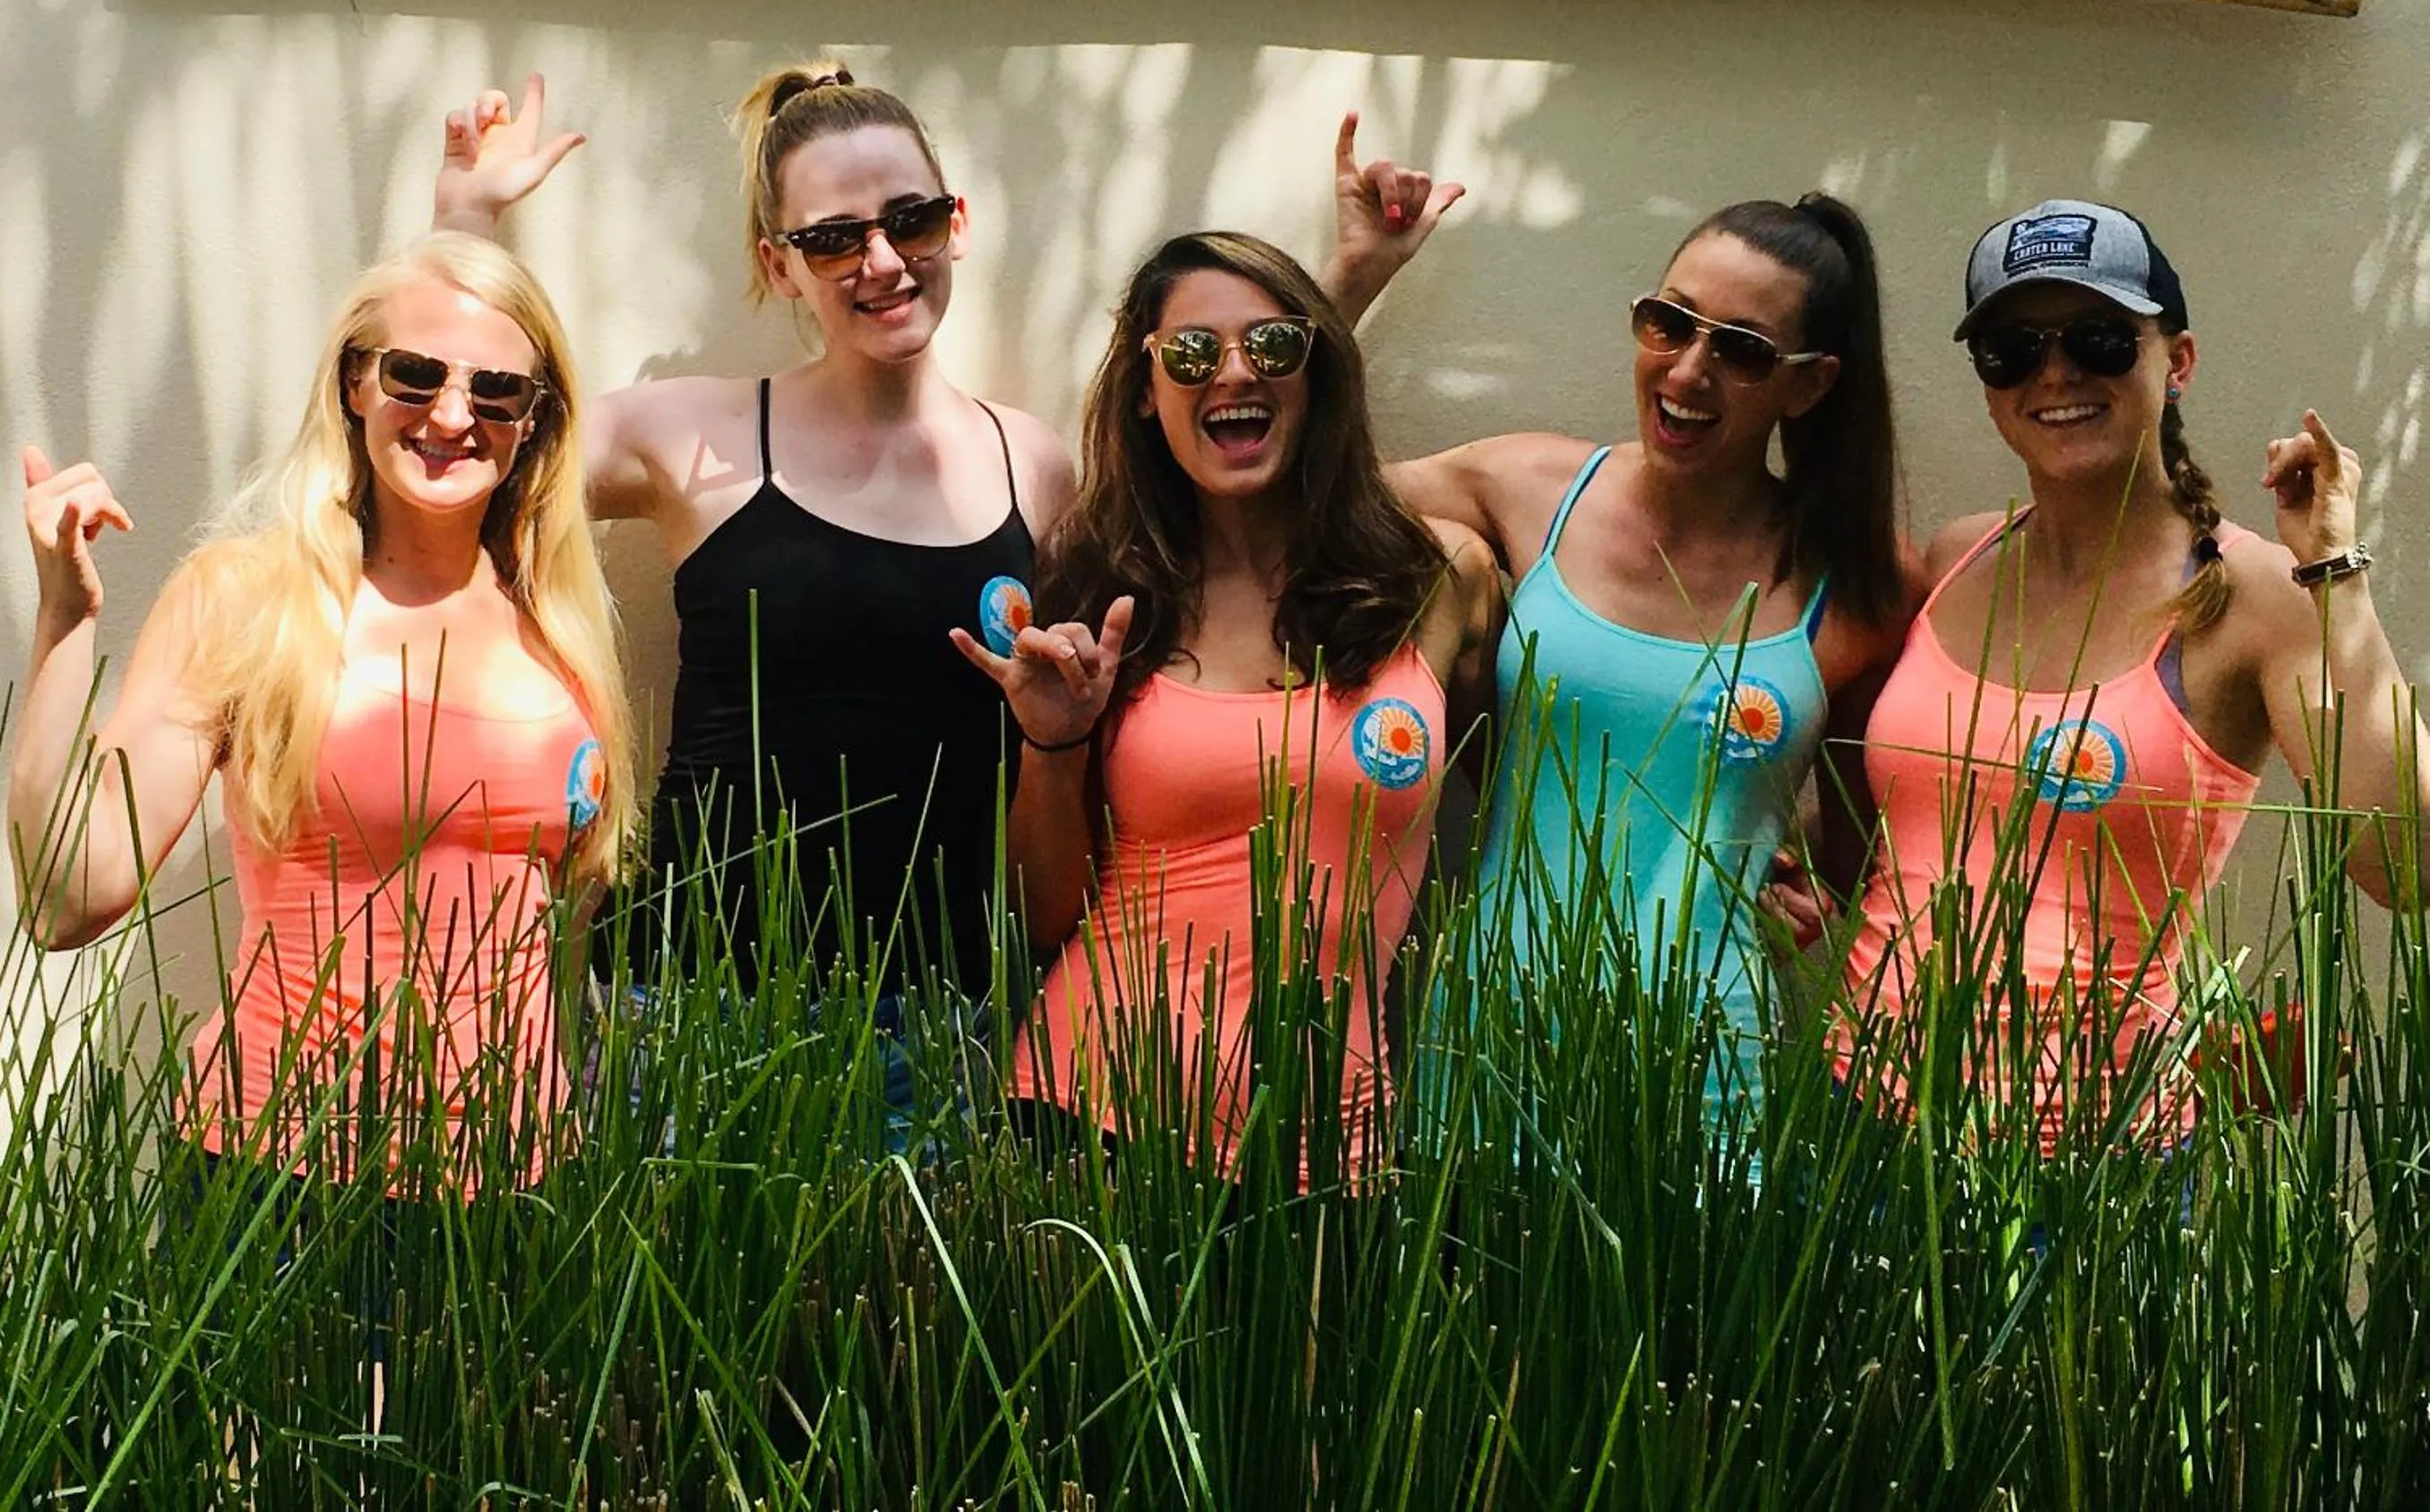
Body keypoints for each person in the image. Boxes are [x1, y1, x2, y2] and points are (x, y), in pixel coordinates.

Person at [434, 68, 1073, 1002]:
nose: (885, 260)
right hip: (702, 1004)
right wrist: (465, 225)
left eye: (913, 219)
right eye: (832, 240)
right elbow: (469, 448)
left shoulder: (1034, 463)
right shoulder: (691, 433)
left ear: (958, 222)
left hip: (946, 1013)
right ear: (780, 267)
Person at [9, 235, 632, 1185]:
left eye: (497, 390)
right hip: (286, 1173)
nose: (455, 414)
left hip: (519, 1182)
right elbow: (69, 898)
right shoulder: (247, 598)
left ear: (534, 419)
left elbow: (564, 931)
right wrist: (63, 617)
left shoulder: (561, 629)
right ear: (355, 384)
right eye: (414, 375)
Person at [1328, 133, 1916, 1114]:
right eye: (1667, 321)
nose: (1687, 372)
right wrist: (1353, 279)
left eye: (1741, 349)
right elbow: (1300, 504)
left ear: (1809, 384)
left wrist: (1792, 867)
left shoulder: (1857, 581)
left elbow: (1876, 814)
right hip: (1490, 1035)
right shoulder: (1527, 489)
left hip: (1708, 1068)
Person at [1823, 198, 2429, 1147]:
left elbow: (2404, 863)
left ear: (2175, 360)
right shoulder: (1955, 557)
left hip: (2093, 1168)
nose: (2054, 370)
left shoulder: (2252, 591)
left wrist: (2336, 574)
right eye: (2010, 350)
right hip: (1860, 1117)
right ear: (1988, 385)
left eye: (2100, 337)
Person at [952, 231, 1500, 1177]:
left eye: (1274, 346)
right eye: (1194, 354)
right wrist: (1054, 743)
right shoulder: (1102, 589)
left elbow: (1521, 798)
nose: (1234, 372)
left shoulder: (1441, 576)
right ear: (1144, 387)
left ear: (1317, 374)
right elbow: (1047, 916)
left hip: (1333, 1131)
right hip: (1099, 1110)